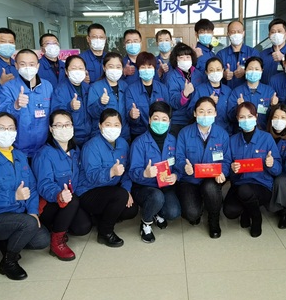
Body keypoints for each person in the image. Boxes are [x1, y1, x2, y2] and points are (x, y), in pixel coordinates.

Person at [0, 113, 48, 281]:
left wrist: (33, 211)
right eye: (1, 128)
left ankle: (5, 242)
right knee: (28, 224)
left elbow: (32, 188)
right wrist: (13, 196)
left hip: (17, 213)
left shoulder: (20, 156)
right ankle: (9, 262)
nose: (6, 132)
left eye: (10, 128)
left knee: (42, 240)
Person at [32, 110, 91, 261]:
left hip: (69, 201)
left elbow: (80, 177)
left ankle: (58, 226)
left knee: (83, 227)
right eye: (58, 125)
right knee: (72, 200)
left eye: (67, 124)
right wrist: (58, 194)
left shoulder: (75, 151)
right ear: (51, 129)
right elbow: (44, 184)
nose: (64, 129)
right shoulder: (44, 154)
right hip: (49, 203)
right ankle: (56, 242)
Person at [75, 109, 139, 247]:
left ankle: (100, 216)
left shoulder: (123, 144)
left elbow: (126, 171)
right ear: (100, 126)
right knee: (119, 196)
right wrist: (111, 172)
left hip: (109, 189)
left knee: (131, 210)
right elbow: (91, 176)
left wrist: (126, 190)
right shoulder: (91, 146)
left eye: (116, 125)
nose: (112, 128)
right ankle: (105, 233)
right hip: (88, 190)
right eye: (108, 124)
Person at [175, 97, 232, 238]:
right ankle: (201, 204)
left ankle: (214, 218)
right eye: (201, 111)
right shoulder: (184, 133)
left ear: (215, 113)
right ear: (195, 113)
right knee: (191, 214)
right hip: (190, 179)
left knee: (210, 188)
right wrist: (184, 166)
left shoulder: (222, 134)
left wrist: (223, 172)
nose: (205, 115)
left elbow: (226, 160)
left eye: (209, 111)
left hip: (211, 178)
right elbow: (179, 157)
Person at [224, 102, 282, 237]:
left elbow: (278, 169)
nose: (246, 120)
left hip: (262, 185)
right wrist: (232, 169)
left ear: (256, 117)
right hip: (239, 184)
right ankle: (247, 210)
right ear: (237, 119)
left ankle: (256, 217)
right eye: (242, 117)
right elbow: (227, 167)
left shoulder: (266, 138)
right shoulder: (232, 140)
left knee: (245, 190)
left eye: (250, 116)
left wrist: (271, 164)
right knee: (229, 211)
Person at [128, 102, 181, 243]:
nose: (160, 123)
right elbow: (132, 172)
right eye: (156, 118)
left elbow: (179, 165)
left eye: (164, 119)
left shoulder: (173, 141)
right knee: (156, 197)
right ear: (149, 120)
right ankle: (146, 223)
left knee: (173, 212)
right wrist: (144, 174)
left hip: (165, 186)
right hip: (144, 187)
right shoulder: (139, 143)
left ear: (169, 122)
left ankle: (155, 211)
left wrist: (176, 175)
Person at [0, 48, 53, 158]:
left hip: (43, 149)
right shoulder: (8, 88)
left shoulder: (47, 86)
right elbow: (1, 115)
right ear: (16, 66)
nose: (28, 68)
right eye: (23, 64)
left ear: (38, 66)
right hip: (17, 149)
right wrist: (15, 105)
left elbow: (53, 114)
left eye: (32, 64)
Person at [124, 51, 169, 138]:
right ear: (138, 69)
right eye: (143, 67)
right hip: (139, 134)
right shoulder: (131, 90)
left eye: (149, 67)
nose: (146, 70)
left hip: (160, 132)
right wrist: (132, 116)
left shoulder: (162, 88)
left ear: (154, 69)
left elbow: (168, 112)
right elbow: (130, 120)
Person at [165, 43, 206, 135]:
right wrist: (184, 94)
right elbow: (172, 102)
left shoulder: (198, 74)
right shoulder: (171, 77)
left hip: (197, 118)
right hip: (179, 121)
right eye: (181, 57)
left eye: (188, 57)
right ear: (176, 59)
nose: (185, 60)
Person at [87, 52, 131, 141]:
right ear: (104, 67)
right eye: (111, 66)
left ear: (122, 69)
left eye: (118, 67)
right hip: (102, 135)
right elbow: (92, 113)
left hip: (123, 135)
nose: (115, 70)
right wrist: (100, 103)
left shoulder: (125, 86)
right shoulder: (96, 87)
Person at [229, 56, 278, 130]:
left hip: (264, 132)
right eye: (250, 69)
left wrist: (274, 106)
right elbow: (230, 117)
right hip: (241, 132)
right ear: (245, 70)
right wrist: (238, 107)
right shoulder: (237, 92)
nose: (253, 71)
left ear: (262, 70)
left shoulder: (269, 91)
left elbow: (274, 117)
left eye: (257, 69)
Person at [52, 55, 92, 145]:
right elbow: (55, 112)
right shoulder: (60, 90)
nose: (78, 71)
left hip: (89, 136)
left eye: (81, 68)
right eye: (74, 68)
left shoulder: (88, 88)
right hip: (70, 137)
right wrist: (69, 107)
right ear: (66, 71)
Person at [194, 56, 233, 133]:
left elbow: (231, 116)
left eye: (218, 70)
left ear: (223, 70)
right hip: (203, 131)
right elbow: (190, 112)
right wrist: (207, 102)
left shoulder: (228, 91)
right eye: (211, 70)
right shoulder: (199, 90)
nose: (215, 72)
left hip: (224, 132)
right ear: (206, 72)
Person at [217, 19, 257, 89]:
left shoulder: (253, 53)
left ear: (243, 33)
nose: (236, 34)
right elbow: (214, 72)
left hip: (248, 91)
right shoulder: (221, 54)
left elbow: (259, 72)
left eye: (239, 32)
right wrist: (223, 74)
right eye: (233, 32)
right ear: (228, 34)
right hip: (227, 92)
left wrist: (245, 72)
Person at [259, 17, 286, 82]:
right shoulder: (262, 55)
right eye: (273, 32)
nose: (276, 34)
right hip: (266, 88)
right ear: (269, 35)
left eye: (279, 31)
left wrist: (283, 59)